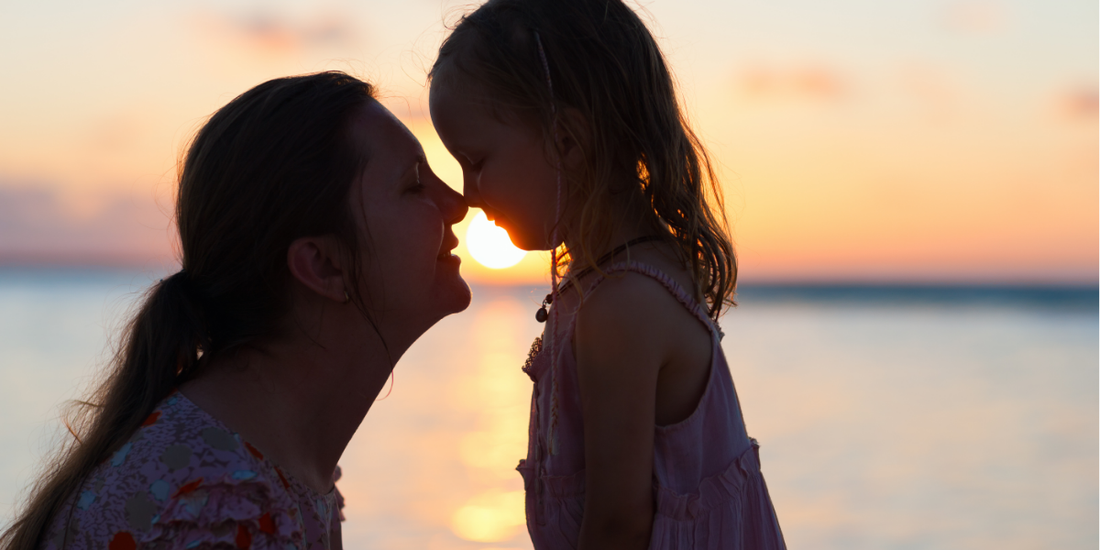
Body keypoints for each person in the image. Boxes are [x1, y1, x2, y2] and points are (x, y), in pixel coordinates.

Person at [1, 71, 470, 550]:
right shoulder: (215, 511)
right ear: (324, 265)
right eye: (414, 184)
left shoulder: (263, 470)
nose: (458, 203)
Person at [428, 1, 786, 548]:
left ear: (567, 141)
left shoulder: (622, 306)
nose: (468, 194)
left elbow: (618, 526)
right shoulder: (615, 284)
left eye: (476, 161)